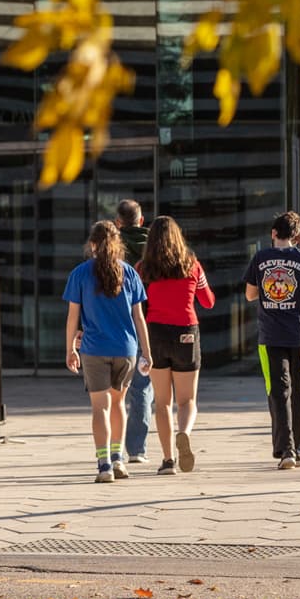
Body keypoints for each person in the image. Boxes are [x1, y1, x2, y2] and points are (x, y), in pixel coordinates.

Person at [64, 219, 154, 483]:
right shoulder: (129, 273)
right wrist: (146, 353)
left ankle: (103, 464)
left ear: (92, 244)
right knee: (118, 404)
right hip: (126, 349)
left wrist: (70, 348)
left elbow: (72, 317)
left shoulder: (80, 273)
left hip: (94, 349)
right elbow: (139, 318)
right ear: (118, 244)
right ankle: (118, 459)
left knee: (99, 408)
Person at [245, 211, 300, 468]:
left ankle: (285, 451)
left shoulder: (261, 258)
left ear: (273, 233)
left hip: (270, 334)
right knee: (298, 389)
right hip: (299, 333)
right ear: (295, 236)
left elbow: (250, 295)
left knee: (278, 391)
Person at [136, 216, 215, 474]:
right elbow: (208, 302)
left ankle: (168, 460)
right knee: (187, 399)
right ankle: (185, 432)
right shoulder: (192, 265)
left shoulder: (142, 269)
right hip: (186, 333)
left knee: (162, 403)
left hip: (155, 333)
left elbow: (135, 305)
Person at [114, 199, 157, 461]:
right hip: (150, 320)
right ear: (141, 220)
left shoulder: (112, 247)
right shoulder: (156, 246)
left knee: (115, 391)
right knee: (142, 387)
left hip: (116, 323)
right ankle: (137, 449)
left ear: (118, 222)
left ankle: (112, 449)